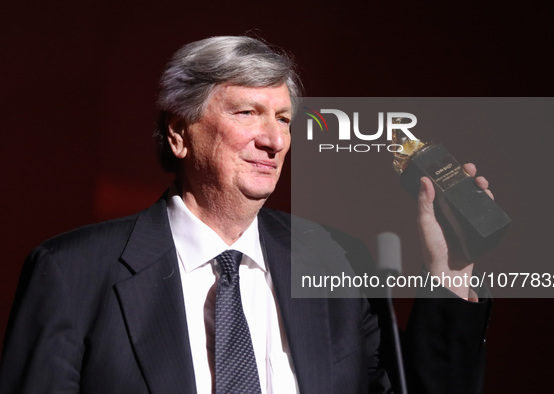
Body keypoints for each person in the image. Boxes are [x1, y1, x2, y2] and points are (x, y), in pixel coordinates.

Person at [0, 36, 492, 393]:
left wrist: (450, 275)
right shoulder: (72, 272)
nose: (274, 140)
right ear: (179, 133)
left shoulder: (336, 260)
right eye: (247, 113)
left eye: (283, 119)